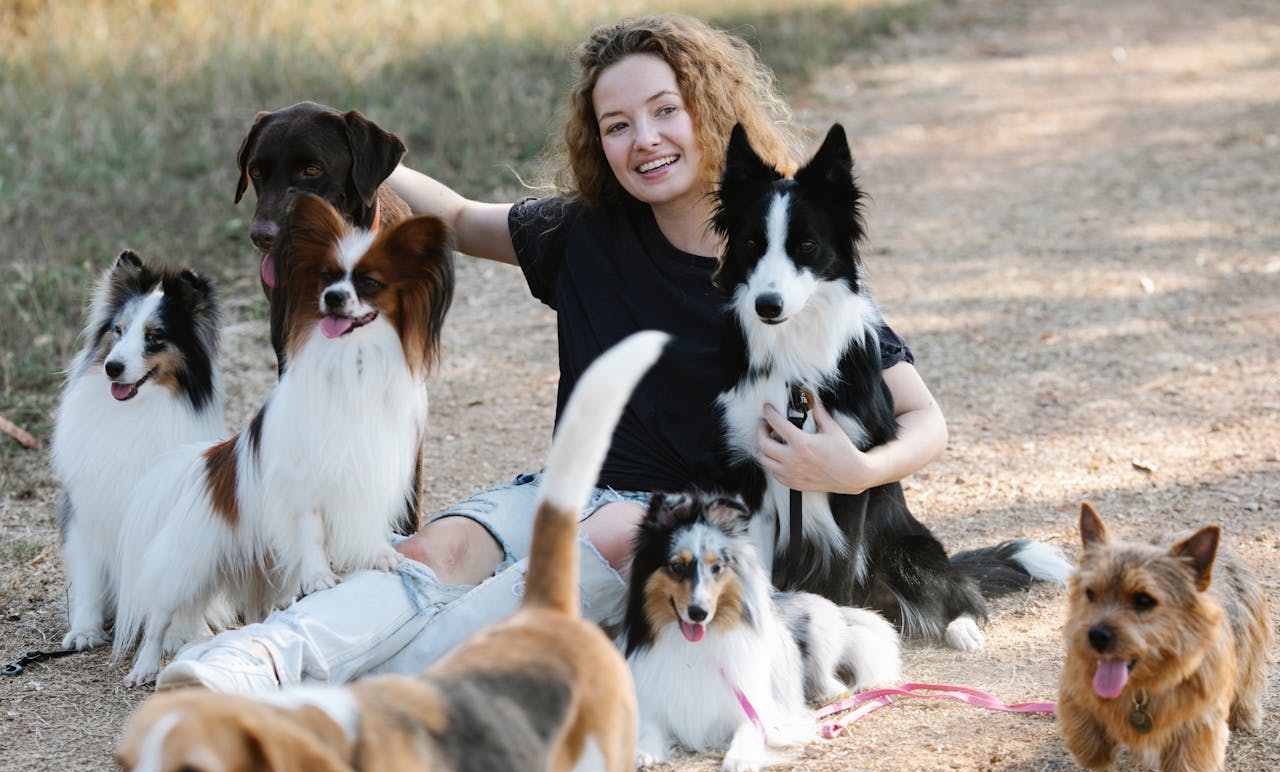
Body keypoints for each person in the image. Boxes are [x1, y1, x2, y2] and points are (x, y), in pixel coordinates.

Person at [158, 13, 948, 692]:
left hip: (685, 523)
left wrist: (856, 469)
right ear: (597, 141)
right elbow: (459, 218)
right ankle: (257, 658)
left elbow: (923, 416)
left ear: (707, 109)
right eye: (617, 125)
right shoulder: (584, 234)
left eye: (664, 111)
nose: (644, 140)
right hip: (565, 487)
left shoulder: (785, 257)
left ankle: (361, 683)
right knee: (430, 550)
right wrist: (342, 154)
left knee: (562, 562)